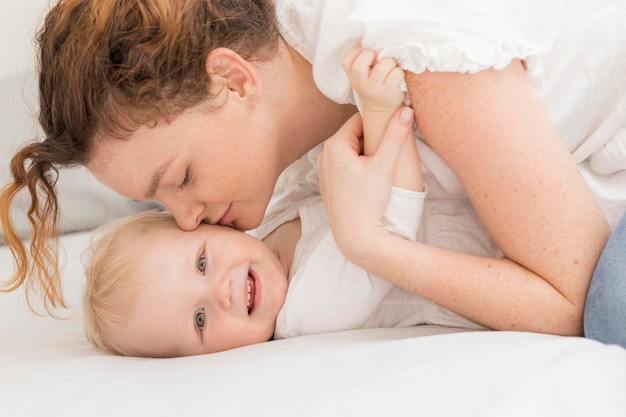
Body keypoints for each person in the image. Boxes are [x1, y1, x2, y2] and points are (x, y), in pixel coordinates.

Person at [1, 0, 623, 343]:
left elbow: (578, 303)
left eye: (182, 177)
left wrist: (366, 245)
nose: (188, 222)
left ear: (235, 79)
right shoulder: (299, 108)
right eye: (160, 205)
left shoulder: (414, 54)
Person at [84, 50, 486, 357]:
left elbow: (322, 169)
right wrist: (380, 110)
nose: (221, 293)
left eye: (202, 263)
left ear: (206, 227)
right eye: (200, 319)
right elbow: (391, 221)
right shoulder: (306, 311)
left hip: (467, 188)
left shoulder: (270, 228)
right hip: (487, 253)